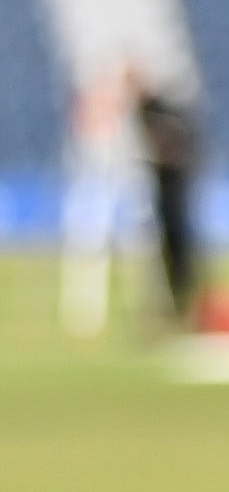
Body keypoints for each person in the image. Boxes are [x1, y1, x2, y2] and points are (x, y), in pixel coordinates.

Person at [56, 59, 149, 339]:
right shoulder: (93, 117)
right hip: (94, 186)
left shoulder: (131, 119)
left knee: (138, 247)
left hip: (120, 183)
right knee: (87, 250)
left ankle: (143, 308)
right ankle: (84, 312)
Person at [135, 68, 201, 324]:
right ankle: (171, 305)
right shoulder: (143, 112)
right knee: (162, 251)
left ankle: (184, 305)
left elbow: (179, 146)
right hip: (162, 194)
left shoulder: (163, 111)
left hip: (173, 192)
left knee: (178, 249)